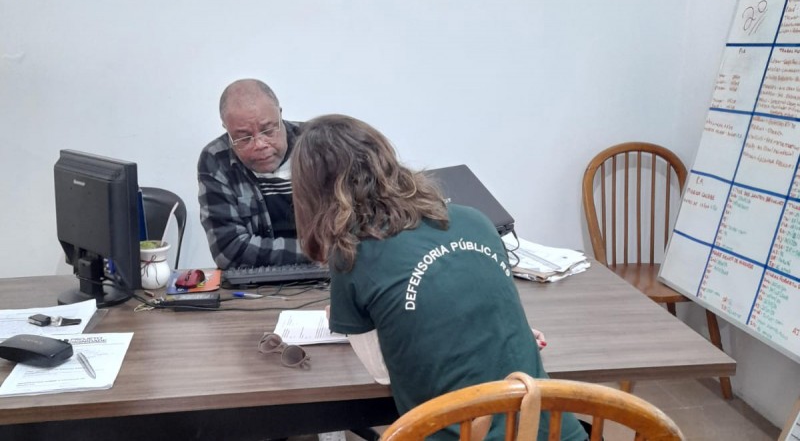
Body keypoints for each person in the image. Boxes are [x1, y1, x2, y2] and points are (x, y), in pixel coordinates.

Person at [290, 114, 588, 441]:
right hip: (555, 431)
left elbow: (383, 373)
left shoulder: (351, 255)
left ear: (312, 193)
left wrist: (346, 322)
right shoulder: (476, 221)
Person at [197, 79, 311, 270]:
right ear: (227, 129)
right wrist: (315, 251)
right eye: (244, 137)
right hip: (255, 285)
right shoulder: (216, 159)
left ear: (280, 114)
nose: (260, 144)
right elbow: (229, 251)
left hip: (326, 278)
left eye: (268, 130)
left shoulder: (318, 145)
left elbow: (354, 233)